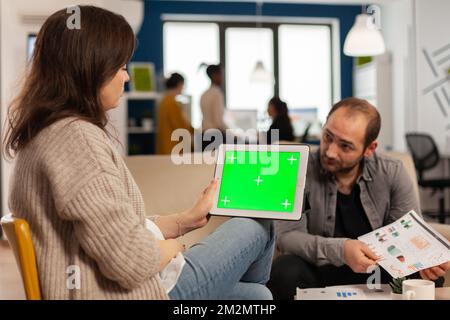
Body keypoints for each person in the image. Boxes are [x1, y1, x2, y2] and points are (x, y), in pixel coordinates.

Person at [3, 6, 275, 300]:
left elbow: (114, 230)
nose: (127, 77)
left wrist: (186, 220)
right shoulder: (76, 140)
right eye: (120, 67)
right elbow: (131, 261)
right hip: (132, 293)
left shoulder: (49, 133)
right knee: (259, 221)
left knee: (258, 296)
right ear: (91, 68)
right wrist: (178, 250)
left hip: (118, 288)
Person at [268, 98, 450, 300]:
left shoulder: (392, 172)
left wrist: (422, 260)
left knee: (426, 278)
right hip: (318, 270)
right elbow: (287, 237)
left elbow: (406, 237)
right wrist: (341, 250)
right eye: (328, 136)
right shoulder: (297, 169)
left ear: (369, 148)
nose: (330, 151)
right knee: (284, 271)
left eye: (345, 146)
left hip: (378, 271)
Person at [156, 73, 194, 155]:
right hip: (173, 148)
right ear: (179, 84)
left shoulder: (164, 101)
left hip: (165, 146)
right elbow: (180, 127)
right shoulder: (172, 104)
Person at [200, 64, 227, 150]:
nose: (222, 78)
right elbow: (218, 121)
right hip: (215, 136)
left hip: (204, 135)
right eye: (221, 74)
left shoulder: (204, 94)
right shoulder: (217, 94)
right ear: (215, 75)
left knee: (205, 162)